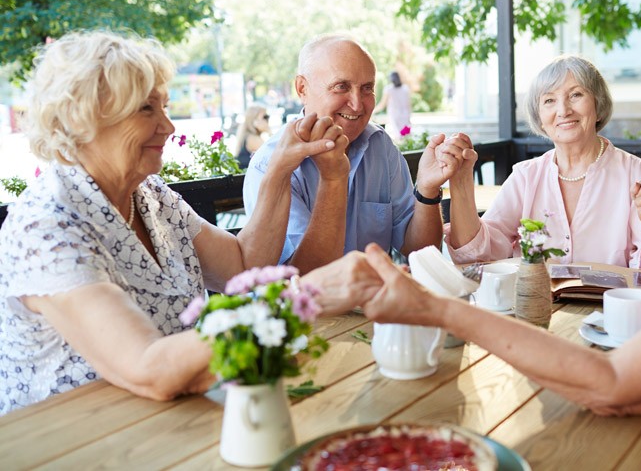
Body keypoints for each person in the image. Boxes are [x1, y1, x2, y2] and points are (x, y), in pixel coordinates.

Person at [356, 0, 641, 415]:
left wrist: (437, 308)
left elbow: (616, 382)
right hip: (549, 331)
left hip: (608, 348)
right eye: (550, 101)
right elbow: (480, 254)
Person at [0, 31, 380, 415]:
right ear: (83, 119)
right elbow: (150, 368)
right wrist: (304, 296)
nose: (169, 126)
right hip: (78, 435)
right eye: (146, 109)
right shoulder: (47, 227)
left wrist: (281, 166)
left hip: (173, 416)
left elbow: (243, 266)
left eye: (164, 107)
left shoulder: (148, 195)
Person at [243, 34, 465, 274]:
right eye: (341, 86)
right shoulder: (270, 165)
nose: (357, 105)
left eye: (367, 88)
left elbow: (420, 251)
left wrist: (427, 191)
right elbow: (304, 279)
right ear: (302, 89)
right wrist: (333, 179)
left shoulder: (379, 145)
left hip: (374, 296)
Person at [442, 54, 641, 271]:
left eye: (576, 95)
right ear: (540, 119)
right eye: (549, 100)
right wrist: (461, 181)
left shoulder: (639, 174)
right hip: (536, 302)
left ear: (598, 106)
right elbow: (478, 255)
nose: (563, 110)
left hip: (610, 303)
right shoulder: (526, 176)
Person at [373, 70, 412, 139]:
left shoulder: (388, 89)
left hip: (394, 116)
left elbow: (382, 105)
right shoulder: (405, 88)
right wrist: (409, 117)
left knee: (397, 137)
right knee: (405, 137)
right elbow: (408, 104)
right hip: (405, 115)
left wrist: (373, 111)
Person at [234, 105, 272, 169]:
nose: (267, 120)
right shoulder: (252, 138)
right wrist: (269, 131)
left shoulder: (248, 136)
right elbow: (272, 154)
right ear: (254, 120)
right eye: (265, 117)